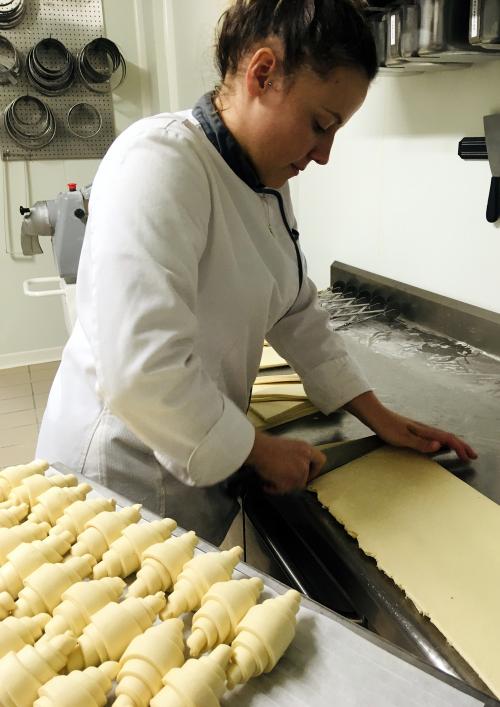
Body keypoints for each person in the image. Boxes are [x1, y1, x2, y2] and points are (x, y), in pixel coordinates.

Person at [37, 0, 476, 545]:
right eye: (320, 125)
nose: (324, 155)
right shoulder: (159, 163)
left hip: (193, 454)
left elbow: (293, 309)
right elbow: (141, 370)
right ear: (262, 74)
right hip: (117, 478)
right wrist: (257, 450)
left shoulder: (263, 182)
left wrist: (377, 415)